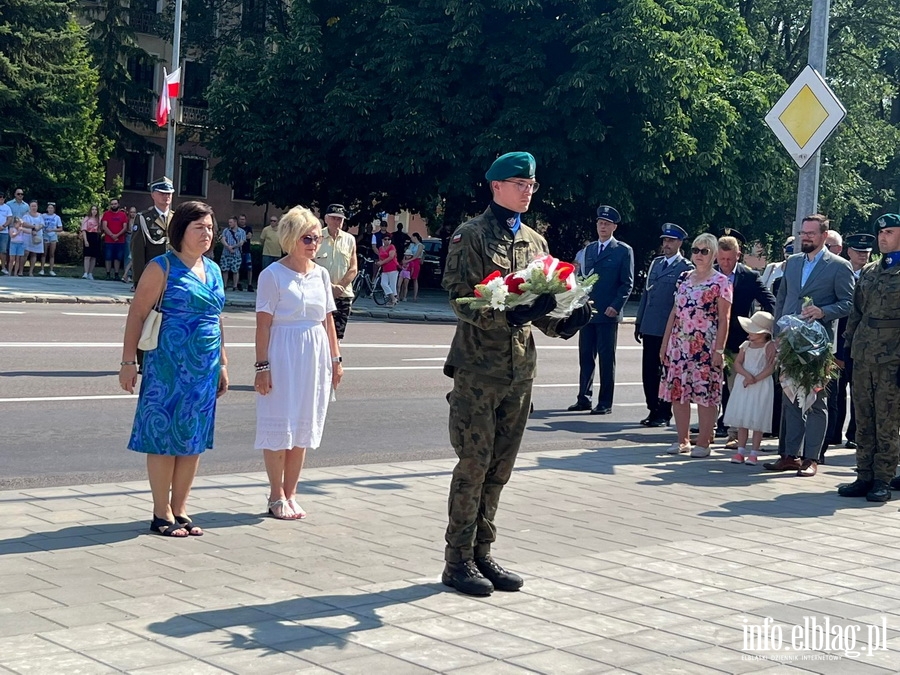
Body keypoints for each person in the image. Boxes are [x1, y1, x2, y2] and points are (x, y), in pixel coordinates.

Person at [441, 151, 591, 596]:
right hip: (477, 371)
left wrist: (564, 322)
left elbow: (540, 311)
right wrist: (504, 317)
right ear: (496, 186)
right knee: (473, 465)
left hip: (519, 372)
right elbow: (458, 298)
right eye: (520, 183)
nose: (528, 190)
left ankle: (483, 553)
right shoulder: (469, 236)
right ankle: (457, 560)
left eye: (532, 184)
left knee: (500, 469)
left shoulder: (536, 243)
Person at [118, 201, 227, 537]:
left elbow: (217, 319)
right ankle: (160, 511)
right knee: (164, 436)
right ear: (181, 230)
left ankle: (180, 507)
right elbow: (137, 315)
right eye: (200, 228)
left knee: (192, 437)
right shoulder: (161, 267)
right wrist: (128, 362)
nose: (207, 234)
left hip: (204, 368)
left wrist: (223, 363)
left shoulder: (214, 269)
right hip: (168, 365)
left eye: (210, 228)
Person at [254, 206, 343, 520]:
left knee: (303, 426)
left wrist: (336, 359)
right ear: (290, 238)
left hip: (314, 355)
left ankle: (291, 493)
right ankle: (275, 494)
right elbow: (263, 324)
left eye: (317, 238)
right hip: (282, 352)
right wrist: (262, 367)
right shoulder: (272, 275)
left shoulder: (320, 274)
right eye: (307, 237)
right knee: (280, 424)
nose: (313, 243)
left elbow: (328, 320)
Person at [765, 214, 855, 477]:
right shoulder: (792, 263)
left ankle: (811, 458)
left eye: (811, 233)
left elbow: (849, 303)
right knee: (790, 399)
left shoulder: (839, 266)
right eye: (803, 232)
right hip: (789, 343)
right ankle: (789, 455)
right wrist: (775, 336)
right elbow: (781, 301)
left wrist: (823, 311)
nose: (805, 237)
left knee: (816, 401)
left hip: (818, 346)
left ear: (824, 236)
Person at [838, 214, 900, 502]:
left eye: (889, 232)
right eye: (881, 232)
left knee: (887, 420)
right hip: (864, 356)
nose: (882, 237)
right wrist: (848, 350)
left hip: (892, 358)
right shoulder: (869, 272)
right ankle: (863, 474)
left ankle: (883, 479)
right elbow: (857, 313)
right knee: (864, 417)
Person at [659, 233, 732, 457]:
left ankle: (703, 443)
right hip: (679, 343)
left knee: (705, 393)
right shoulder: (683, 277)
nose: (699, 255)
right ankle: (682, 440)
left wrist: (719, 350)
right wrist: (665, 344)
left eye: (704, 251)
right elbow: (674, 311)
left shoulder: (721, 281)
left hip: (705, 346)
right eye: (696, 250)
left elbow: (724, 318)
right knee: (678, 392)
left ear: (713, 255)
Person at [567, 205, 634, 414]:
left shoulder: (623, 250)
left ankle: (605, 402)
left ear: (614, 227)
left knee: (606, 360)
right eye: (600, 223)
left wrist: (616, 306)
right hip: (588, 312)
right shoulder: (588, 250)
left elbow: (627, 283)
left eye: (607, 224)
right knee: (585, 356)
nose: (602, 226)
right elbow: (580, 279)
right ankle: (583, 398)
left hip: (607, 313)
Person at [715, 232, 775, 444]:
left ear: (738, 255)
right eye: (721, 259)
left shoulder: (749, 277)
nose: (725, 263)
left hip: (736, 342)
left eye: (730, 259)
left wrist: (764, 331)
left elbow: (770, 302)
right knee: (711, 386)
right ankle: (709, 429)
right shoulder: (710, 275)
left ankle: (733, 434)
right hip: (710, 340)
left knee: (734, 387)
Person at [634, 223, 692, 427]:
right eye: (664, 240)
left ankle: (664, 411)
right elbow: (647, 294)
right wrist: (639, 320)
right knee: (649, 370)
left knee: (665, 372)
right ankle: (652, 408)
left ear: (679, 243)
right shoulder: (656, 264)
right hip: (650, 325)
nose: (666, 244)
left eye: (670, 241)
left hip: (669, 329)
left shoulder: (686, 268)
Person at [831, 233, 874, 452]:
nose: (863, 256)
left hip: (863, 344)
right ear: (849, 252)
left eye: (866, 253)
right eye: (858, 252)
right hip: (840, 342)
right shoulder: (839, 272)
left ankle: (855, 434)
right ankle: (833, 433)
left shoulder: (873, 276)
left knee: (859, 391)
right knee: (835, 391)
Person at [723, 311, 776, 465]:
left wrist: (755, 379)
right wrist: (747, 376)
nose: (749, 334)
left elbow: (770, 368)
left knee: (757, 419)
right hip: (745, 383)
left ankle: (754, 452)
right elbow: (737, 363)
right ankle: (740, 451)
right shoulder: (746, 345)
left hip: (760, 385)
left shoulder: (768, 347)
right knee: (742, 418)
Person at [316, 203, 357, 340]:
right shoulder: (316, 237)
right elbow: (309, 265)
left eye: (340, 219)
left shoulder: (349, 239)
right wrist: (329, 287)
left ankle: (334, 361)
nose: (337, 221)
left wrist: (339, 287)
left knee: (337, 337)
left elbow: (353, 268)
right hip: (320, 292)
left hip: (343, 294)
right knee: (320, 334)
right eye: (333, 218)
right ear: (326, 219)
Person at [132, 177, 173, 288]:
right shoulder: (144, 218)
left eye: (169, 193)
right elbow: (138, 251)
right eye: (162, 193)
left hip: (174, 274)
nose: (166, 196)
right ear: (153, 195)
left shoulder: (177, 218)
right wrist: (139, 279)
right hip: (153, 272)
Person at [101, 198, 129, 280]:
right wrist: (112, 235)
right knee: (108, 257)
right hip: (108, 240)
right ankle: (108, 274)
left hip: (120, 241)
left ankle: (116, 274)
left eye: (115, 204)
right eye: (112, 204)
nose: (114, 205)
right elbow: (104, 226)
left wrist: (117, 235)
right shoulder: (106, 214)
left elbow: (125, 227)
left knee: (118, 258)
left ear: (118, 204)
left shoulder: (123, 215)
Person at [219, 217, 246, 291]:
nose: (229, 224)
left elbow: (241, 242)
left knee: (235, 270)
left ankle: (235, 286)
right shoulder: (226, 230)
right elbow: (222, 239)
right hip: (226, 253)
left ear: (235, 222)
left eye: (231, 222)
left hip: (236, 254)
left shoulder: (241, 232)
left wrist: (233, 247)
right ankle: (225, 285)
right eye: (229, 222)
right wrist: (228, 247)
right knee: (225, 270)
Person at [399, 232, 425, 302]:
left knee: (414, 278)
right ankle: (402, 295)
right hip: (409, 260)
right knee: (404, 278)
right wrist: (404, 260)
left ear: (415, 237)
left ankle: (415, 296)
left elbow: (416, 255)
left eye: (412, 237)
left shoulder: (420, 246)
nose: (411, 238)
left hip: (415, 261)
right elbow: (407, 252)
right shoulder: (411, 245)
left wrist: (408, 260)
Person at [21, 200, 44, 277]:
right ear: (29, 207)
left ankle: (31, 272)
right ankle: (20, 270)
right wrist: (33, 227)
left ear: (37, 207)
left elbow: (42, 225)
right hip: (27, 236)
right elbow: (23, 224)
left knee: (34, 254)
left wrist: (37, 229)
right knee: (25, 253)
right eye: (32, 206)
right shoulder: (26, 215)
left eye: (35, 206)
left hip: (37, 236)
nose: (34, 207)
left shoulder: (40, 216)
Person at [40, 202, 62, 276]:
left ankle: (51, 269)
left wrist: (53, 230)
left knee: (52, 254)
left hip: (53, 236)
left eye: (52, 208)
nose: (50, 209)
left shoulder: (57, 217)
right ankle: (42, 269)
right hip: (45, 235)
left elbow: (60, 228)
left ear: (54, 209)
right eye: (49, 208)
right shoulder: (43, 216)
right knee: (44, 253)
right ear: (47, 209)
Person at [376, 234, 399, 306]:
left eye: (389, 239)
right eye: (385, 239)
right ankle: (393, 299)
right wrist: (379, 263)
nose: (387, 241)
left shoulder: (392, 247)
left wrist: (382, 262)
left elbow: (391, 257)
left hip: (392, 267)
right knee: (383, 283)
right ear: (382, 240)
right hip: (385, 268)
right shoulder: (380, 248)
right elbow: (380, 257)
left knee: (392, 285)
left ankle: (392, 300)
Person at [80, 205, 101, 280]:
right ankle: (85, 272)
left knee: (93, 256)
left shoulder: (99, 219)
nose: (94, 211)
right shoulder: (87, 218)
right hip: (88, 236)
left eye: (95, 209)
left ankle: (90, 273)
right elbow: (84, 230)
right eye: (93, 209)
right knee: (87, 256)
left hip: (96, 236)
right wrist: (85, 240)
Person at [122, 206, 141, 283]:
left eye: (134, 212)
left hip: (136, 239)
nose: (132, 214)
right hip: (129, 237)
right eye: (131, 212)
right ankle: (127, 274)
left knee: (133, 258)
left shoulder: (138, 220)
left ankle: (129, 275)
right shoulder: (127, 220)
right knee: (129, 257)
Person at [238, 214, 254, 292]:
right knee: (238, 268)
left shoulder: (249, 228)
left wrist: (241, 237)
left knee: (249, 268)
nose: (242, 221)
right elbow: (246, 237)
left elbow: (249, 236)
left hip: (247, 251)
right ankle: (238, 283)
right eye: (241, 219)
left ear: (245, 220)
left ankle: (250, 285)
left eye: (243, 219)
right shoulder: (236, 228)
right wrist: (244, 237)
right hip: (238, 251)